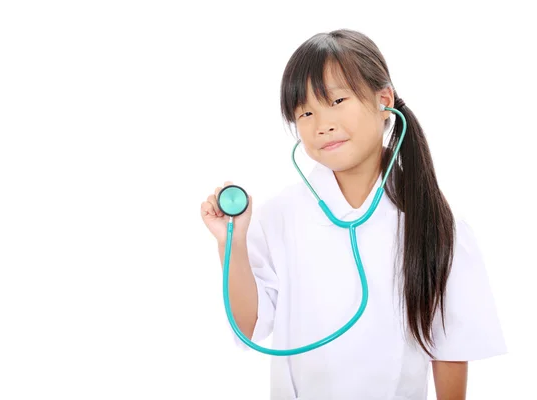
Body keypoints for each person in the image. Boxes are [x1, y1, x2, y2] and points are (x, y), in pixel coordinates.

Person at [200, 29, 506, 399]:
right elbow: (248, 327)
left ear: (384, 100)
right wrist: (228, 243)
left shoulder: (436, 224)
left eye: (337, 100)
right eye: (306, 112)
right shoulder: (278, 215)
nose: (322, 124)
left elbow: (451, 347)